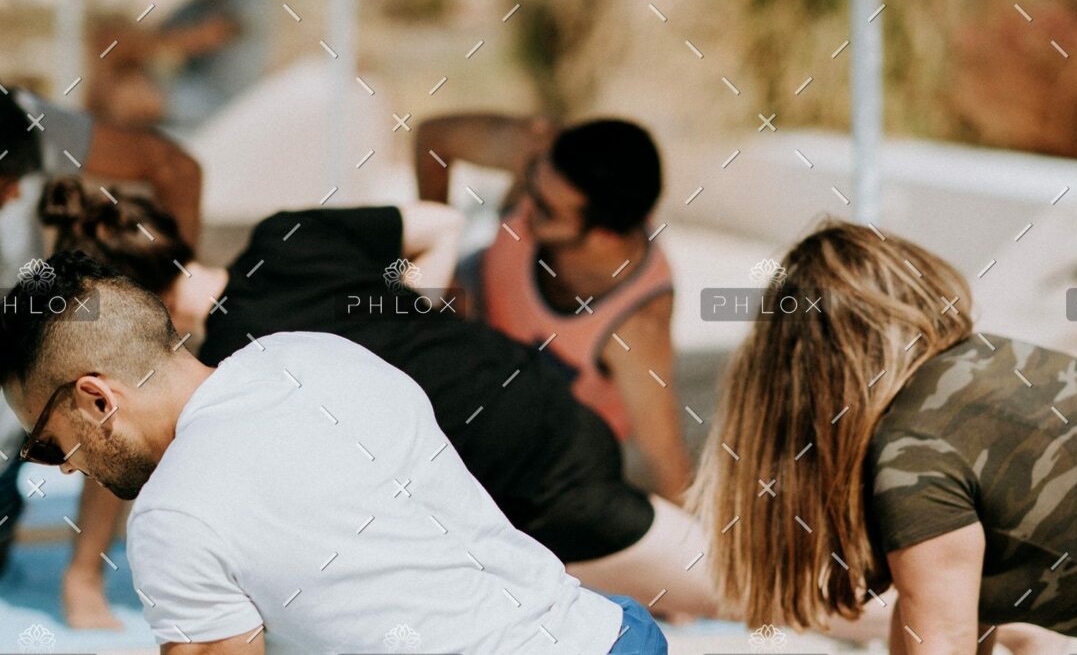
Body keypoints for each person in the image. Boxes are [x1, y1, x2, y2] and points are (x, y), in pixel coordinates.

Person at [31, 178, 724, 622]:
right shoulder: (285, 237)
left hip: (531, 488)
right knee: (701, 581)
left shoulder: (228, 377)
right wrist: (408, 317)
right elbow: (440, 225)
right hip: (544, 406)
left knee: (741, 590)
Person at [0, 252, 667, 654]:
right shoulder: (312, 353)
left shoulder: (174, 516)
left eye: (45, 443)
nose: (62, 467)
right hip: (608, 631)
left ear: (96, 399)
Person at [690, 219, 1077, 652]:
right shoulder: (993, 363)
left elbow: (944, 641)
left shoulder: (912, 450)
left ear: (803, 382)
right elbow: (949, 609)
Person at [0, 87, 202, 629]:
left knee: (106, 401)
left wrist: (167, 296)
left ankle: (83, 574)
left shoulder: (26, 121)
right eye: (3, 184)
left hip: (36, 362)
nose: (17, 194)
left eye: (17, 176)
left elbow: (175, 167)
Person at [416, 114, 692, 503]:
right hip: (473, 327)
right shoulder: (544, 155)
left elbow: (670, 469)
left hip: (543, 443)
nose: (526, 208)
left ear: (603, 237)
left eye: (546, 210)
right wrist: (439, 240)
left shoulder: (637, 325)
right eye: (531, 182)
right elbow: (433, 139)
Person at [88, 0, 268, 131]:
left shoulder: (251, 0)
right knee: (117, 84)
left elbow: (204, 37)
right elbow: (155, 39)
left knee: (129, 96)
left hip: (226, 103)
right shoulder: (190, 9)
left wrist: (134, 44)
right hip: (187, 95)